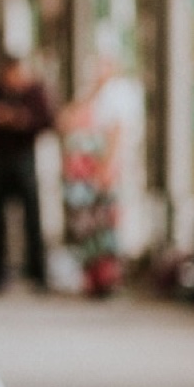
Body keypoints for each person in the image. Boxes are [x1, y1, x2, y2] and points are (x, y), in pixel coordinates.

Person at [0, 52, 56, 294]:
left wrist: (19, 119)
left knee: (32, 218)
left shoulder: (33, 90)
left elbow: (47, 121)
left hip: (24, 158)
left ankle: (38, 274)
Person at [59, 58, 127, 297]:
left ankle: (106, 277)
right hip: (82, 174)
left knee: (103, 226)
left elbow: (116, 133)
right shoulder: (90, 97)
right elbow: (67, 120)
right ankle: (92, 275)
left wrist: (106, 168)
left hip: (99, 170)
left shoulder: (117, 96)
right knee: (85, 226)